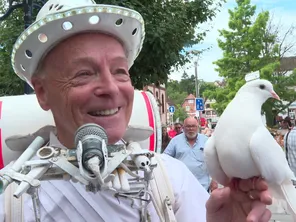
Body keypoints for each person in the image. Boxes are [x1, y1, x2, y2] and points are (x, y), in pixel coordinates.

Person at [1, 0, 272, 221]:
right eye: (84, 73)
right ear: (42, 92)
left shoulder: (168, 179)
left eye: (120, 71)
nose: (111, 88)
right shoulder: (11, 197)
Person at [164, 117, 211, 190]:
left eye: (193, 126)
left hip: (202, 185)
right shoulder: (175, 141)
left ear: (197, 127)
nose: (191, 129)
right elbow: (165, 159)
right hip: (181, 185)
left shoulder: (206, 141)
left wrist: (214, 181)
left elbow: (213, 161)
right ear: (183, 127)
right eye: (188, 126)